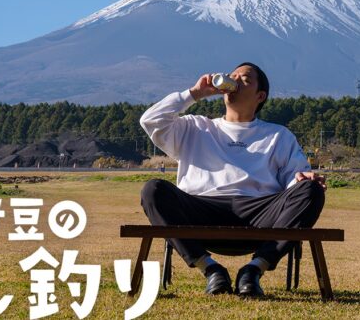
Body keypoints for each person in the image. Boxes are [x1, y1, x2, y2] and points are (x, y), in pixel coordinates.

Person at [139, 62, 326, 297]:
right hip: (201, 209)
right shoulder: (195, 127)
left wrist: (301, 180)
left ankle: (254, 269)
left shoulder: (278, 135)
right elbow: (150, 120)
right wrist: (194, 94)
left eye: (245, 79)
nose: (235, 81)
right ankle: (211, 269)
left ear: (260, 96)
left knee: (312, 189)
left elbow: (293, 176)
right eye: (233, 76)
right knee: (153, 189)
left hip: (259, 212)